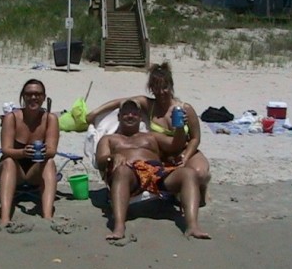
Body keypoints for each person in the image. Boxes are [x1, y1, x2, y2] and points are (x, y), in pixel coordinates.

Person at [87, 61, 211, 204]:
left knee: (199, 174)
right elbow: (121, 102)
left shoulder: (185, 109)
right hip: (165, 151)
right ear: (151, 89)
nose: (161, 92)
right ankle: (178, 191)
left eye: (165, 87)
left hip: (185, 148)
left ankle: (203, 188)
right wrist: (95, 113)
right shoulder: (149, 104)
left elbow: (196, 138)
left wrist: (185, 156)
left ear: (171, 86)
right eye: (156, 88)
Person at [96, 99, 211, 240]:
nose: (130, 116)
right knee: (121, 171)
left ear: (140, 117)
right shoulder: (109, 139)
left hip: (156, 172)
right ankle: (119, 227)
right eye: (126, 113)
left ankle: (193, 226)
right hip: (130, 173)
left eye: (134, 113)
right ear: (119, 117)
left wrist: (180, 128)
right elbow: (100, 161)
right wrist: (113, 157)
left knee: (188, 173)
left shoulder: (151, 136)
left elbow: (175, 145)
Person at [0, 79, 59, 227]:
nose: (33, 97)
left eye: (37, 94)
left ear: (44, 97)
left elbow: (52, 151)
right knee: (9, 161)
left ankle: (47, 216)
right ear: (23, 97)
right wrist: (23, 152)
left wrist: (43, 152)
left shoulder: (50, 119)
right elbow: (6, 150)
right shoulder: (12, 118)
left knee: (49, 162)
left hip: (34, 171)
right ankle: (5, 218)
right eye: (29, 94)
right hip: (11, 169)